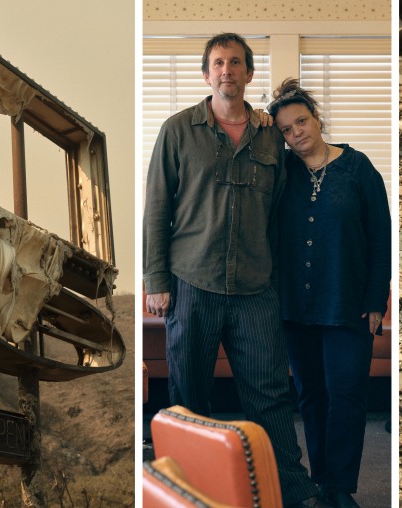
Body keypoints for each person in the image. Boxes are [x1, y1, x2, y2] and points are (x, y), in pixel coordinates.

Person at [143, 34, 320, 507]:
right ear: (207, 74)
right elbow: (157, 209)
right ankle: (189, 493)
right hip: (191, 283)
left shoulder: (270, 135)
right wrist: (155, 281)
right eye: (219, 63)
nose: (227, 70)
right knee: (188, 399)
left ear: (248, 73)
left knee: (271, 397)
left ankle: (294, 492)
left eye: (236, 62)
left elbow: (281, 211)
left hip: (255, 288)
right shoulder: (177, 130)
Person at [267, 78, 392, 508]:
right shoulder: (280, 172)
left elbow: (380, 237)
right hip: (296, 308)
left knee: (347, 395)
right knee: (311, 396)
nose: (296, 132)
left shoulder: (358, 169)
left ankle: (340, 488)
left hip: (348, 305)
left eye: (301, 121)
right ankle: (320, 482)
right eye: (285, 129)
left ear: (317, 119)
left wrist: (377, 298)